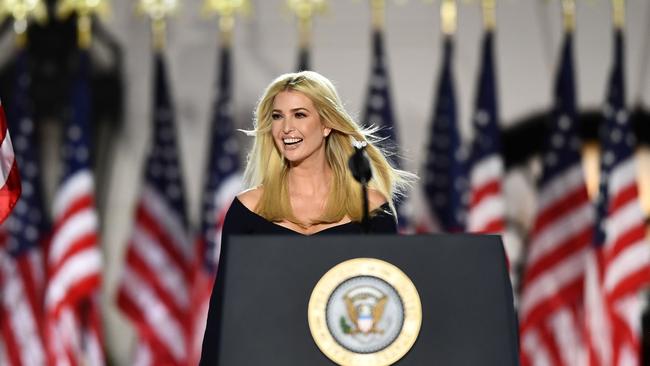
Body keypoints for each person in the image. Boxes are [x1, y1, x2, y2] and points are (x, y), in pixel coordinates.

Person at [199, 70, 414, 364]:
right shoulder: (248, 209)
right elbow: (224, 313)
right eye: (277, 116)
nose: (286, 127)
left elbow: (389, 307)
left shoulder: (371, 209)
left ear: (326, 124)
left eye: (299, 114)